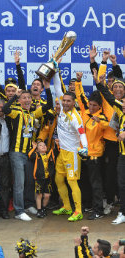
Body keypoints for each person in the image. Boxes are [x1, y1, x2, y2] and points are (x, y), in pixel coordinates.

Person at [3, 78, 53, 221]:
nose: (27, 100)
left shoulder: (32, 114)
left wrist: (48, 88)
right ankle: (19, 211)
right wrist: (15, 97)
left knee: (31, 181)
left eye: (29, 98)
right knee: (19, 182)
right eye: (24, 98)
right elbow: (5, 109)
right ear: (19, 100)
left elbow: (48, 104)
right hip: (17, 153)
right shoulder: (16, 112)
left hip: (30, 153)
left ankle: (28, 204)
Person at [52, 71, 88, 222]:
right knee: (58, 179)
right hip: (62, 152)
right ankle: (67, 207)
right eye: (64, 100)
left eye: (68, 101)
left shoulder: (75, 117)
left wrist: (84, 147)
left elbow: (82, 134)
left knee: (72, 182)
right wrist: (55, 71)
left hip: (73, 154)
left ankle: (78, 210)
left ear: (74, 103)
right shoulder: (60, 105)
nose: (65, 103)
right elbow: (57, 86)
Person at [92, 69, 125, 225]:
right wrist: (98, 82)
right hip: (122, 154)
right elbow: (108, 95)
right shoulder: (118, 107)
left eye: (121, 88)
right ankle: (123, 212)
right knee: (121, 183)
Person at [75, 72, 109, 220]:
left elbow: (107, 125)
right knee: (84, 182)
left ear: (100, 106)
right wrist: (78, 81)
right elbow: (79, 96)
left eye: (95, 105)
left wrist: (99, 120)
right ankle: (88, 205)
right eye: (90, 104)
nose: (92, 107)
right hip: (83, 154)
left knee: (96, 183)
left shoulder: (101, 116)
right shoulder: (85, 111)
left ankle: (98, 210)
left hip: (95, 154)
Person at [28, 141, 55, 218]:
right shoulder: (37, 155)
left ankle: (43, 208)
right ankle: (39, 210)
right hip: (39, 179)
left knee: (47, 195)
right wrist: (33, 148)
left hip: (48, 179)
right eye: (40, 145)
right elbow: (30, 155)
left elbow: (53, 163)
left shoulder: (49, 154)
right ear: (37, 149)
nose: (43, 146)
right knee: (39, 195)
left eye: (44, 145)